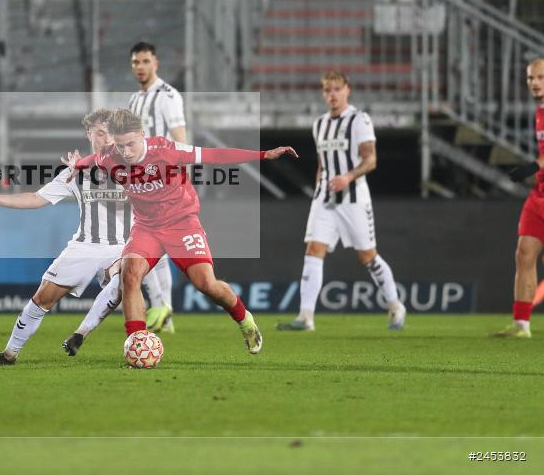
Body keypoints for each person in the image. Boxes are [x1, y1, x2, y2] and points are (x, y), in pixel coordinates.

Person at [63, 109, 298, 356]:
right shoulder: (111, 155)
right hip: (147, 227)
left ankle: (244, 319)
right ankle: (137, 345)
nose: (127, 152)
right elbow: (95, 159)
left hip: (182, 222)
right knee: (130, 275)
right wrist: (77, 164)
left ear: (143, 135)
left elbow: (214, 155)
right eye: (121, 146)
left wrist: (263, 154)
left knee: (206, 284)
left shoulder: (165, 150)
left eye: (131, 144)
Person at [0, 109, 131, 366]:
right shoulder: (73, 173)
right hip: (85, 246)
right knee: (42, 299)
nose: (107, 140)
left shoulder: (132, 165)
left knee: (125, 280)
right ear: (89, 133)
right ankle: (9, 353)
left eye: (112, 134)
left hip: (124, 246)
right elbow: (36, 198)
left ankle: (85, 334)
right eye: (100, 133)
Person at [277, 70, 406, 333]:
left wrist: (348, 176)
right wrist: (318, 189)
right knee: (313, 249)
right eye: (327, 90)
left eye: (337, 89)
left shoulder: (360, 120)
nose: (332, 95)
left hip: (353, 198)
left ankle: (395, 305)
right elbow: (322, 164)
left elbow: (370, 159)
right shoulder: (320, 124)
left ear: (347, 90)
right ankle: (305, 317)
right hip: (325, 198)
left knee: (368, 256)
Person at [127, 41, 185, 334]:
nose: (140, 67)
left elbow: (180, 139)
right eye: (136, 62)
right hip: (140, 185)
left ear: (156, 63)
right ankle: (166, 315)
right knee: (154, 252)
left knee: (148, 247)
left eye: (145, 61)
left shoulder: (168, 96)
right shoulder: (134, 101)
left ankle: (163, 310)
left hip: (163, 184)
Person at [495, 58, 544, 338]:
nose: (535, 83)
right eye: (530, 78)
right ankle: (521, 325)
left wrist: (533, 166)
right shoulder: (539, 111)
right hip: (539, 196)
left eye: (540, 77)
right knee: (524, 254)